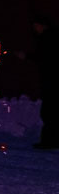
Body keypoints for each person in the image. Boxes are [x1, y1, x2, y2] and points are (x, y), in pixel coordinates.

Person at [33, 15, 58, 149]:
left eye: (36, 25)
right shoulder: (52, 37)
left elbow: (43, 57)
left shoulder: (47, 39)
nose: (35, 28)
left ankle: (49, 141)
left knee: (48, 113)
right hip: (52, 80)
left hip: (51, 81)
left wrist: (27, 56)